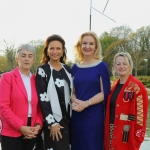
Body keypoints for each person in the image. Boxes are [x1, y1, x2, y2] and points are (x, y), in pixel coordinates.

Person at [70, 31, 110, 150]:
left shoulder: (101, 66)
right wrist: (75, 101)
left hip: (94, 117)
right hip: (77, 115)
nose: (87, 46)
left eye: (91, 44)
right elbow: (72, 91)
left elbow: (105, 92)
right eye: (84, 43)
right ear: (80, 46)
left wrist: (86, 103)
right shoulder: (75, 67)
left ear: (96, 46)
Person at [0, 44, 43, 150]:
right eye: (23, 56)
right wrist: (21, 127)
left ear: (33, 59)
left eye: (30, 56)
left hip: (32, 131)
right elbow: (3, 107)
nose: (26, 59)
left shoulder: (37, 79)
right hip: (11, 131)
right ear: (17, 58)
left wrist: (38, 126)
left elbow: (40, 106)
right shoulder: (7, 77)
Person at [104, 52, 148, 150]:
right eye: (118, 64)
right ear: (115, 67)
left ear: (130, 65)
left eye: (124, 63)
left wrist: (137, 141)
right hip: (111, 133)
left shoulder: (137, 87)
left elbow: (141, 117)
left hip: (126, 136)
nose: (121, 66)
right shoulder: (113, 86)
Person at [36, 34, 73, 150]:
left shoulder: (68, 69)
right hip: (54, 123)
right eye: (52, 48)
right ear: (47, 51)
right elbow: (43, 98)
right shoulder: (42, 70)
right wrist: (52, 123)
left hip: (70, 121)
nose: (55, 51)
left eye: (58, 48)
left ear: (63, 51)